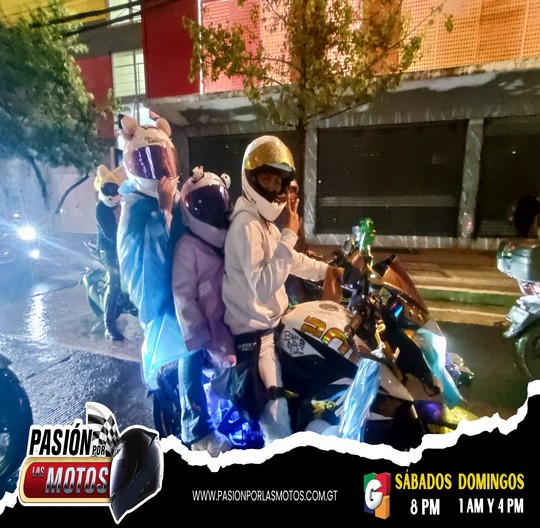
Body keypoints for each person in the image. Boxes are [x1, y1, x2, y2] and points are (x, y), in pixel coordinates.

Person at [222, 135, 344, 445]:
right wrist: (289, 233)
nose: (274, 187)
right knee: (278, 428)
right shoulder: (247, 226)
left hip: (276, 327)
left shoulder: (263, 222)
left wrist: (329, 272)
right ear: (251, 179)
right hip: (255, 340)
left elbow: (291, 261)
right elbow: (263, 287)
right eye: (266, 178)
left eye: (278, 181)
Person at [115, 113, 189, 393]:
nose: (160, 172)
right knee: (169, 372)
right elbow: (146, 267)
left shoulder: (173, 196)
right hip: (161, 306)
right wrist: (164, 211)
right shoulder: (135, 208)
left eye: (164, 160)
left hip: (184, 299)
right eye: (149, 162)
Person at [172, 167, 236, 456]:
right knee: (191, 361)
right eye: (203, 204)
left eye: (216, 202)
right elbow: (182, 293)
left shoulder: (225, 239)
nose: (211, 210)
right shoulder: (188, 247)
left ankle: (228, 408)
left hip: (225, 320)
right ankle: (197, 431)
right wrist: (195, 332)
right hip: (201, 326)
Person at [93, 164, 127, 341]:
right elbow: (110, 234)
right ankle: (109, 326)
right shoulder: (101, 209)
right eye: (107, 189)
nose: (111, 193)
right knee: (114, 282)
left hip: (124, 246)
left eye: (114, 189)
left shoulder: (125, 204)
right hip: (108, 249)